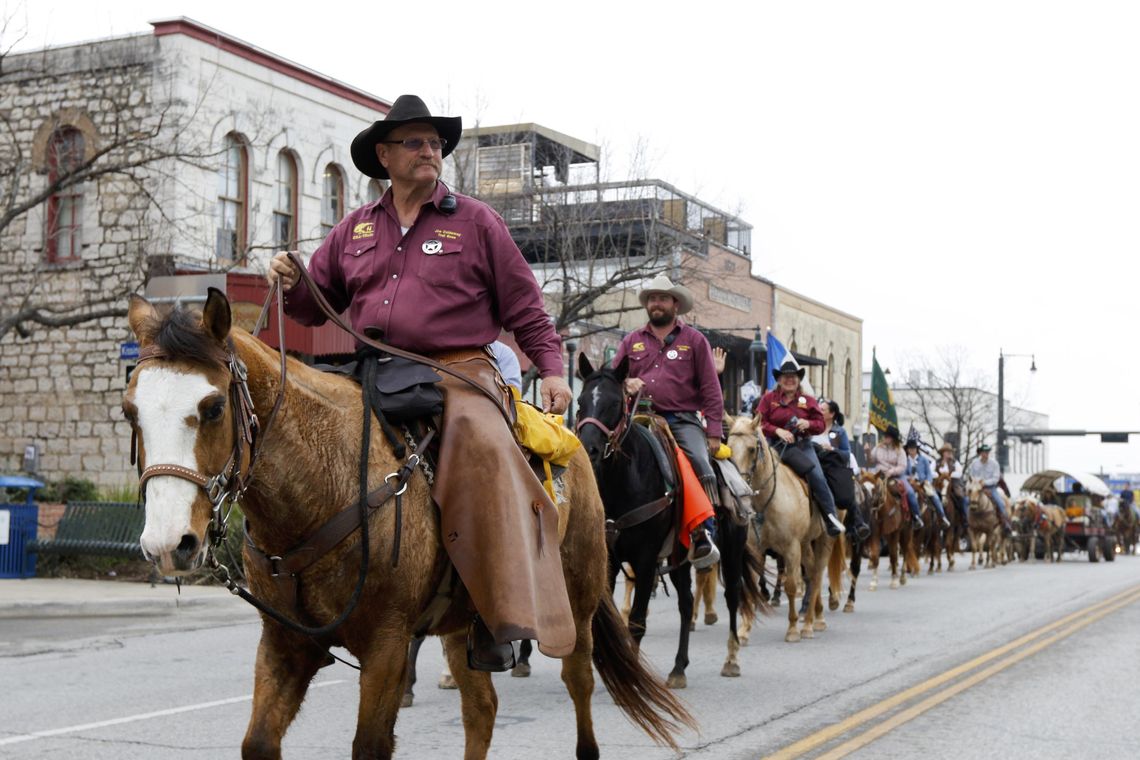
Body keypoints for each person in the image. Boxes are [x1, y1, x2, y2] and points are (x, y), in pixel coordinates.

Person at [266, 94, 575, 671]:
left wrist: (552, 368)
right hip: (372, 366)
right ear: (384, 155)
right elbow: (316, 307)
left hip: (460, 369)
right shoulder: (354, 230)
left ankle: (494, 612)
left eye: (436, 143)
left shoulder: (476, 221)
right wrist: (291, 283)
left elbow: (526, 307)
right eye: (415, 142)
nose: (430, 150)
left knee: (484, 448)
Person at [613, 275, 722, 568]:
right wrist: (626, 382)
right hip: (637, 418)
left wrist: (713, 431)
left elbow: (711, 388)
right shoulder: (631, 341)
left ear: (675, 303)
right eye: (652, 298)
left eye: (662, 298)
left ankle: (703, 534)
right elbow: (611, 379)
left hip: (680, 419)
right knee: (605, 457)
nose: (656, 303)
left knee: (700, 461)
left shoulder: (695, 341)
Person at [755, 358, 846, 536]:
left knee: (817, 476)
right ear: (779, 380)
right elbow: (758, 422)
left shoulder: (808, 400)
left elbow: (820, 424)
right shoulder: (768, 399)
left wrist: (808, 424)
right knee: (751, 473)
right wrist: (777, 431)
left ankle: (831, 518)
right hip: (773, 446)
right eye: (786, 377)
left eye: (794, 377)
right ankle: (750, 520)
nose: (790, 380)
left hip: (802, 447)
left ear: (798, 380)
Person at [813, 398, 871, 539]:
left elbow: (846, 453)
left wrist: (832, 449)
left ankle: (858, 523)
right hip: (813, 463)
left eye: (822, 410)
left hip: (832, 466)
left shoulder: (839, 432)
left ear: (831, 414)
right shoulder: (813, 427)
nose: (819, 411)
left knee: (844, 489)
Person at [867, 425, 924, 529]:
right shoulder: (878, 447)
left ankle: (916, 517)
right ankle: (866, 518)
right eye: (885, 436)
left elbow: (902, 466)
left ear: (892, 439)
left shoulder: (900, 450)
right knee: (868, 489)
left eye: (887, 436)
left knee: (910, 492)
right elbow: (871, 460)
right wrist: (867, 452)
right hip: (879, 475)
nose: (884, 438)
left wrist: (891, 471)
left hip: (897, 476)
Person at [904, 436, 952, 528]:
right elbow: (904, 473)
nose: (912, 451)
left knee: (933, 495)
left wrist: (928, 480)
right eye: (910, 449)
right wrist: (908, 478)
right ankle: (912, 517)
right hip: (911, 483)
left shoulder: (924, 459)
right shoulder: (906, 461)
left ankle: (942, 517)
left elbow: (929, 473)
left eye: (913, 448)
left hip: (923, 482)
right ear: (907, 450)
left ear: (917, 449)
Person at [967, 443, 1010, 531]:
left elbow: (996, 478)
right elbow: (971, 475)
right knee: (966, 501)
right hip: (976, 488)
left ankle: (1005, 522)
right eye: (983, 452)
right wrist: (977, 483)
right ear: (980, 453)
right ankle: (965, 521)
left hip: (991, 488)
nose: (985, 454)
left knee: (1000, 503)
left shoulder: (994, 464)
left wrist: (985, 483)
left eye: (987, 452)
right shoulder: (974, 463)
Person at [935, 442, 970, 525]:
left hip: (953, 484)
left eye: (950, 452)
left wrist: (949, 475)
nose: (949, 453)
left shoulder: (955, 462)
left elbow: (959, 473)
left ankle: (964, 518)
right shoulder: (936, 462)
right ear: (943, 453)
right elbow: (931, 472)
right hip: (939, 484)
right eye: (947, 451)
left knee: (961, 497)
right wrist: (940, 475)